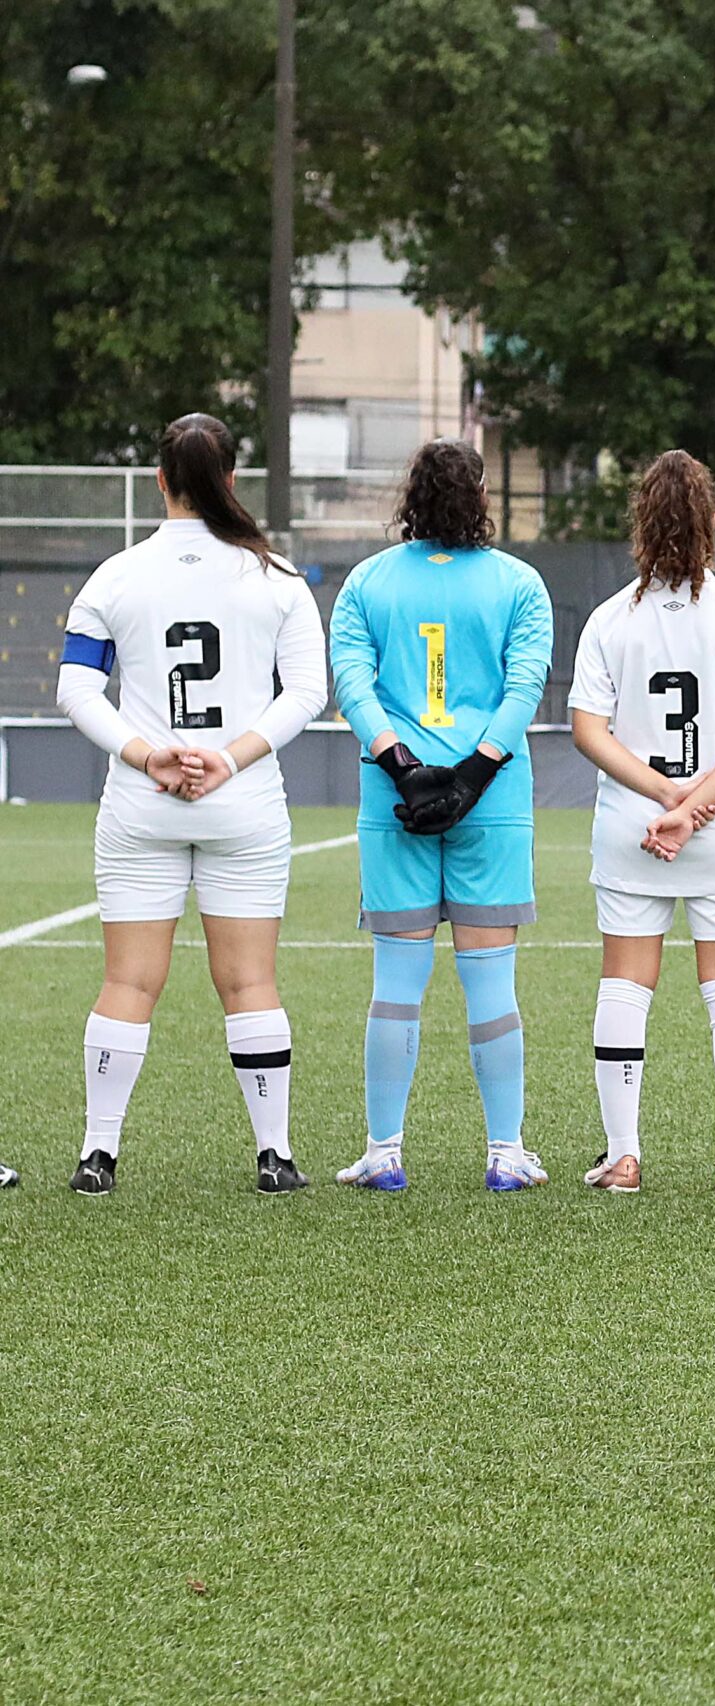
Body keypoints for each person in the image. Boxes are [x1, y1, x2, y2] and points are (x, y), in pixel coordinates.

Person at [53, 412, 327, 1195]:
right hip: (242, 803)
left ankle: (97, 1155)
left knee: (128, 982)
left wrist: (148, 755)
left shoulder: (115, 575)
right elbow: (308, 691)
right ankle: (273, 1156)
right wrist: (230, 759)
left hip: (143, 802)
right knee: (249, 983)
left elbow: (77, 689)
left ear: (161, 481)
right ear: (231, 480)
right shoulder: (275, 578)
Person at [329, 439, 555, 1192]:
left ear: (409, 494)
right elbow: (523, 689)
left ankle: (384, 1153)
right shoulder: (521, 583)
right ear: (483, 492)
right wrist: (472, 775)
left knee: (397, 981)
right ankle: (505, 1154)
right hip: (491, 806)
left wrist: (404, 766)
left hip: (395, 802)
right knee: (492, 982)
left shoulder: (365, 581)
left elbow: (353, 684)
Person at [568, 451, 715, 1195]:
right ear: (710, 521)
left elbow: (588, 730)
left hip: (634, 825)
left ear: (641, 521)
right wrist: (693, 808)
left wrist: (663, 797)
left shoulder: (608, 620)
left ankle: (624, 1157)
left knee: (626, 984)